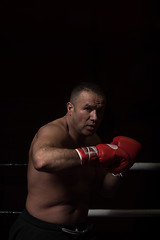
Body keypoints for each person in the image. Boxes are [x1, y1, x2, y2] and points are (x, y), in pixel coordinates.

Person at [9, 82, 141, 240]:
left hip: (80, 231)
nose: (95, 117)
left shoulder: (93, 139)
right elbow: (41, 160)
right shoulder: (53, 132)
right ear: (70, 108)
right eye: (88, 109)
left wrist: (122, 168)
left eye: (100, 111)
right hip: (42, 231)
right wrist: (94, 152)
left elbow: (106, 189)